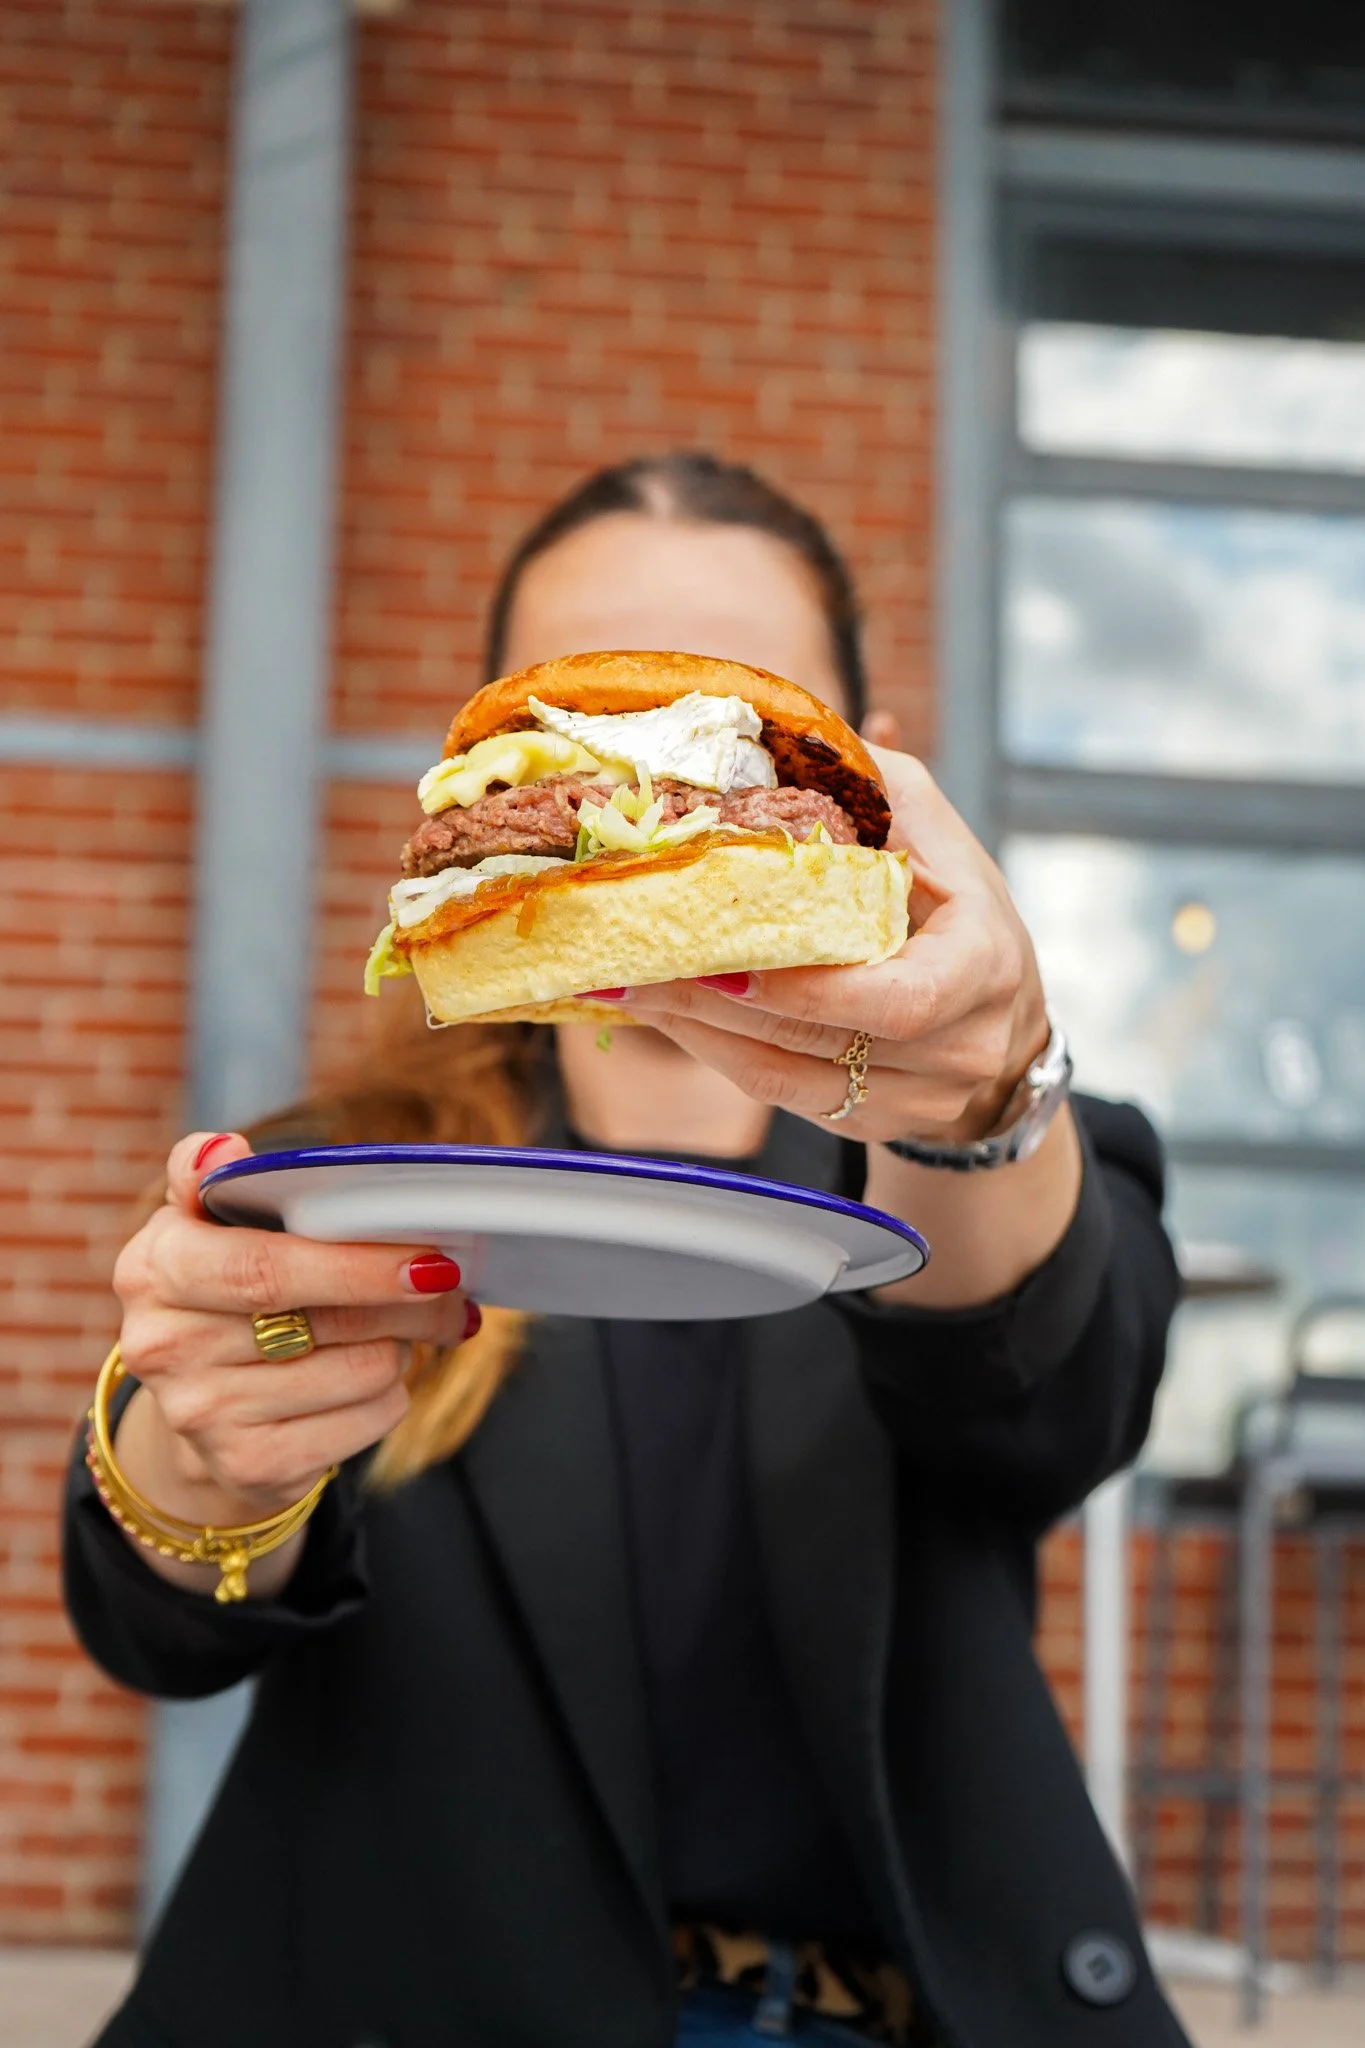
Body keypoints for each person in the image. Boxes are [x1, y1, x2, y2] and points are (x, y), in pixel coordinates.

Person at [64, 454, 1190, 2048]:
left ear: (858, 774)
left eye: (727, 731)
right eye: (586, 727)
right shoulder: (350, 1170)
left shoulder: (982, 1140)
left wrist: (989, 1097)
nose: (653, 773)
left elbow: (1052, 1399)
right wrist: (205, 1468)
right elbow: (158, 1620)